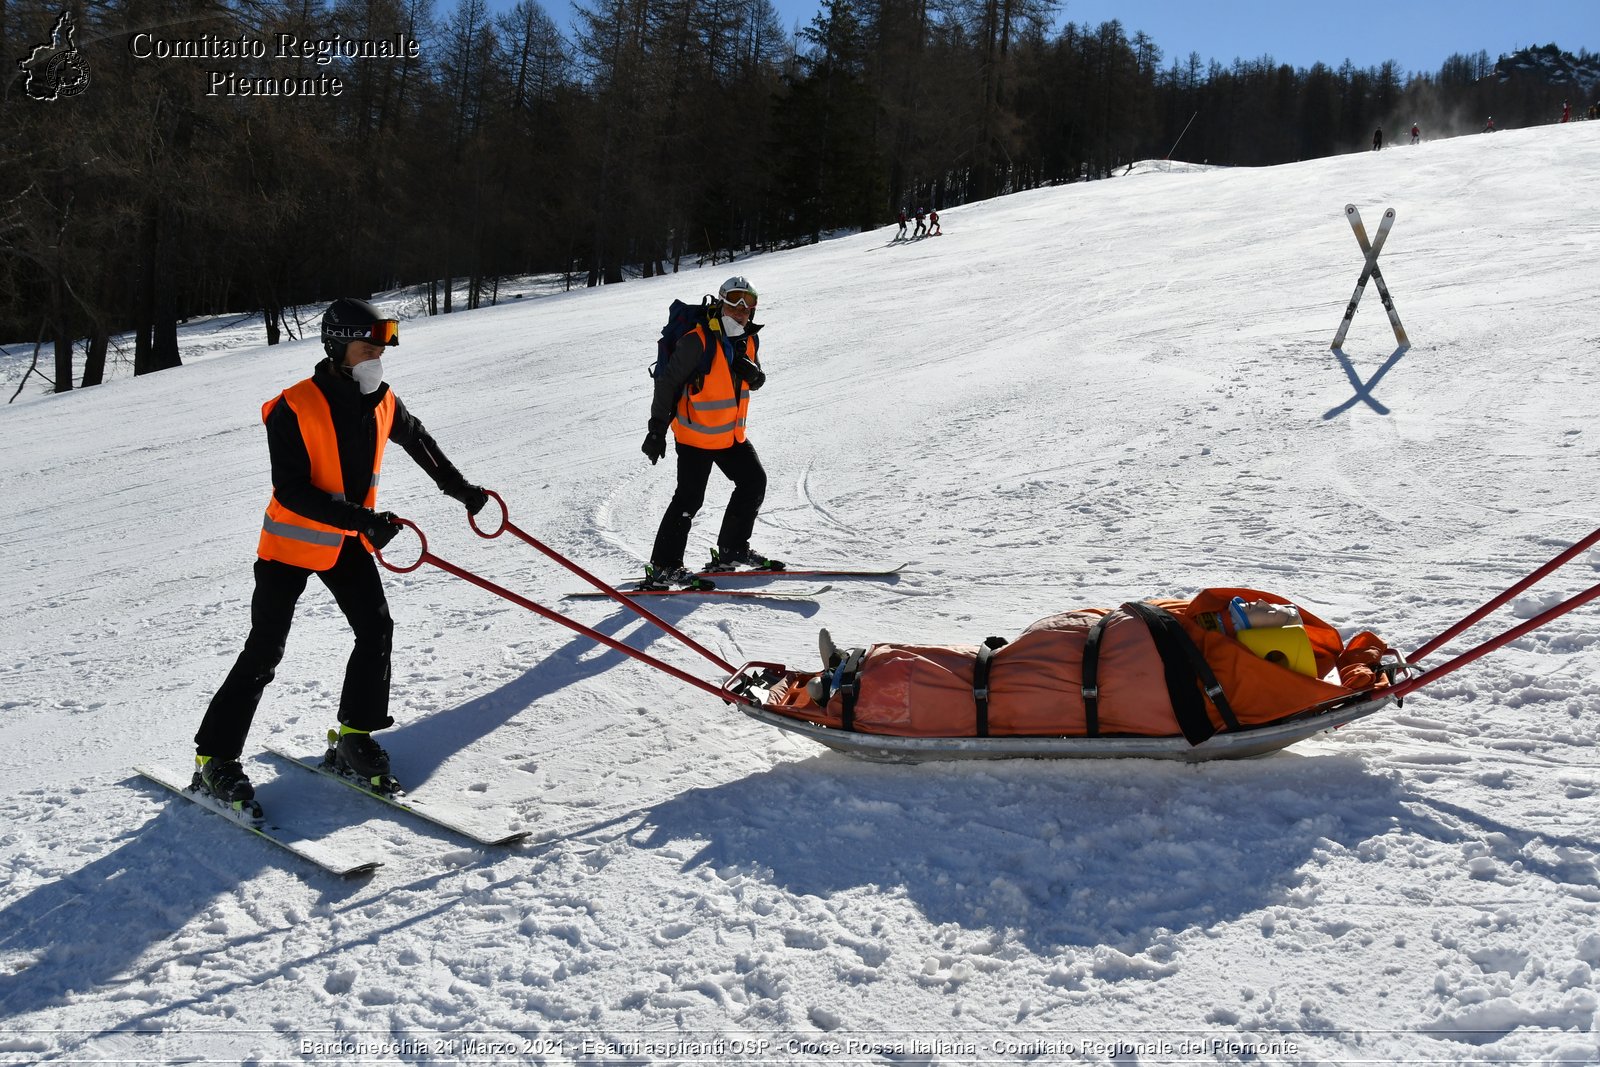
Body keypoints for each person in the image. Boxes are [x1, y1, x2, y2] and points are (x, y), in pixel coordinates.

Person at [192, 298, 490, 806]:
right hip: (289, 545)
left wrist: (463, 492)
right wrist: (362, 520)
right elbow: (291, 491)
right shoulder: (294, 406)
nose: (377, 355)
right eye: (367, 346)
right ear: (337, 346)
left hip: (345, 543)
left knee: (376, 629)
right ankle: (214, 758)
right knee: (265, 650)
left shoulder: (382, 400)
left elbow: (419, 441)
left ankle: (355, 736)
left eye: (381, 347)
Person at [640, 276, 778, 588]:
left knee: (753, 482)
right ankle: (664, 567)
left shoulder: (749, 338)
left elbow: (752, 380)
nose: (741, 310)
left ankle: (731, 551)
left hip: (730, 435)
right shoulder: (697, 340)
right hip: (694, 436)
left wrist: (755, 376)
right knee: (689, 499)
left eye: (748, 302)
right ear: (720, 302)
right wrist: (656, 430)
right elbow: (668, 383)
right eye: (734, 301)